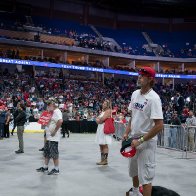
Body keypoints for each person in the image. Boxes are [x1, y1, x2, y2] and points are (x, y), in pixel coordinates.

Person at [123, 67, 163, 196]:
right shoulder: (135, 94)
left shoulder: (154, 98)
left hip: (146, 142)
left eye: (142, 76)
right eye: (139, 75)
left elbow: (159, 125)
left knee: (145, 176)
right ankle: (135, 192)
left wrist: (140, 140)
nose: (139, 77)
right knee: (133, 171)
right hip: (134, 139)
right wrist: (126, 132)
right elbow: (133, 116)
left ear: (150, 79)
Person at [36, 100, 63, 175]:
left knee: (54, 153)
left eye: (49, 105)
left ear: (53, 104)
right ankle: (45, 167)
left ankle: (56, 169)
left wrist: (55, 131)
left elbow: (60, 121)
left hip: (53, 136)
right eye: (47, 105)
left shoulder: (57, 111)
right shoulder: (51, 112)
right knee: (47, 152)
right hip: (48, 136)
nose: (47, 106)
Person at [95, 99, 112, 166]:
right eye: (103, 103)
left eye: (105, 104)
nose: (103, 104)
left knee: (104, 144)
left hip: (104, 129)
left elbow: (101, 119)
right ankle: (102, 159)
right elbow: (98, 118)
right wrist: (98, 120)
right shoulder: (103, 111)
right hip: (101, 128)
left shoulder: (108, 111)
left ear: (107, 105)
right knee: (101, 144)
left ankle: (105, 160)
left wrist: (98, 120)